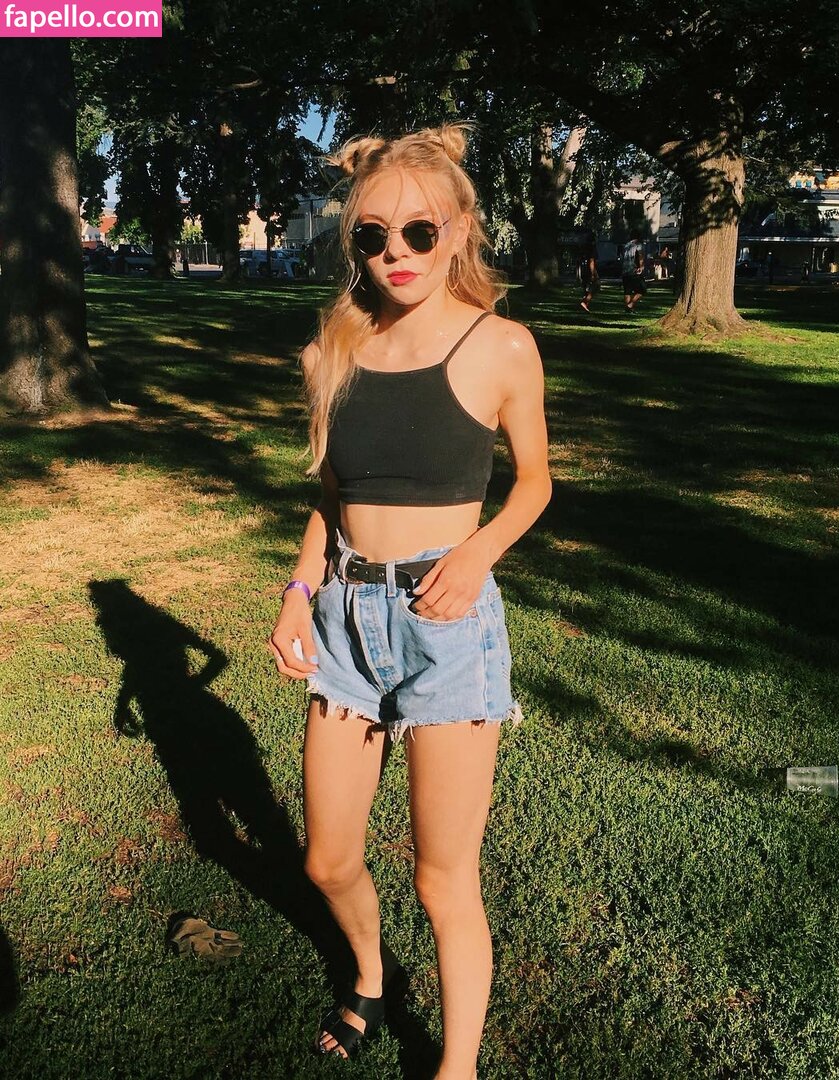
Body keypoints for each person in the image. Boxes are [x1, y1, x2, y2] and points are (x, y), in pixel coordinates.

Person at [268, 123, 551, 1078]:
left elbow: (536, 484)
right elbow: (333, 497)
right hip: (346, 623)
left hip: (447, 624)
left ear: (460, 229)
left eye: (420, 232)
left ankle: (456, 1068)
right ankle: (370, 975)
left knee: (442, 879)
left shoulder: (501, 346)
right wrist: (299, 589)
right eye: (373, 235)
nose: (397, 253)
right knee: (327, 859)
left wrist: (479, 552)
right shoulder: (333, 349)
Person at [621, 229, 646, 312]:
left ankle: (628, 309)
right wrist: (641, 267)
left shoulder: (626, 245)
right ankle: (630, 305)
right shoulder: (638, 245)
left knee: (627, 291)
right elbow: (640, 255)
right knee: (642, 290)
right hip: (634, 270)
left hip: (625, 270)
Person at [579, 241, 600, 312]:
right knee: (596, 287)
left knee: (587, 289)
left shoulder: (584, 251)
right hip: (590, 271)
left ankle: (585, 306)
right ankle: (584, 302)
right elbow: (591, 262)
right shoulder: (592, 250)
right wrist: (593, 274)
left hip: (584, 271)